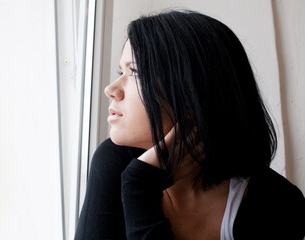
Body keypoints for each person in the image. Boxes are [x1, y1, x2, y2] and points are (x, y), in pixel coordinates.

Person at [75, 10, 305, 240]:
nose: (110, 89)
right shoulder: (115, 162)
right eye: (120, 71)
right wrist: (137, 181)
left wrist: (139, 189)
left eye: (134, 72)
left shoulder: (278, 202)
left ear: (192, 92)